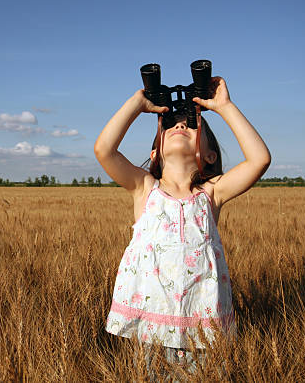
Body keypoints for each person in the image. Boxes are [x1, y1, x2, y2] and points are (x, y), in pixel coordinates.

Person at [94, 76, 271, 378]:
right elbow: (104, 150)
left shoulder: (212, 193)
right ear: (155, 154)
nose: (179, 126)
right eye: (170, 125)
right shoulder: (144, 187)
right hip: (151, 330)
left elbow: (259, 159)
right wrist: (139, 103)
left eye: (190, 124)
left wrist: (224, 106)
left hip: (203, 333)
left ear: (211, 155)